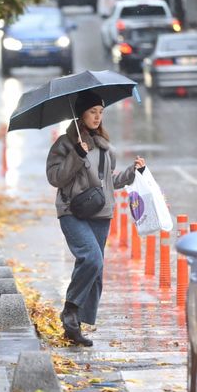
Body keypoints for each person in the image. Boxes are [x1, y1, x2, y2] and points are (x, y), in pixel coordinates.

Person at [46, 90, 146, 346]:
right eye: (92, 112)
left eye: (100, 112)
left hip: (100, 214)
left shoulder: (105, 148)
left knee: (96, 268)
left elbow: (108, 182)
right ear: (81, 114)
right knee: (90, 257)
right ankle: (70, 309)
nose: (97, 117)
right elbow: (56, 178)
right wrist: (76, 157)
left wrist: (133, 173)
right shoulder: (64, 145)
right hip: (72, 211)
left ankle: (75, 325)